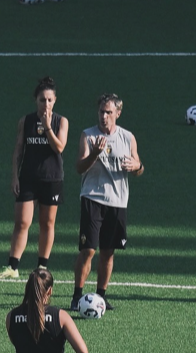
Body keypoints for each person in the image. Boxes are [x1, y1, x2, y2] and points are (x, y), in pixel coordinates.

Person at [69, 93, 144, 311]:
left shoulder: (128, 137)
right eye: (101, 112)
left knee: (108, 251)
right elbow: (79, 167)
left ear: (117, 114)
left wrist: (136, 167)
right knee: (88, 250)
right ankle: (77, 295)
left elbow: (140, 166)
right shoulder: (88, 135)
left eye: (109, 112)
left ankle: (101, 296)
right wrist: (94, 153)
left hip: (118, 202)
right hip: (93, 198)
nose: (104, 117)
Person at [0, 77, 69, 279]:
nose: (46, 104)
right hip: (28, 177)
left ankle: (42, 267)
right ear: (35, 100)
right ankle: (12, 267)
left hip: (51, 178)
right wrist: (14, 176)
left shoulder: (61, 121)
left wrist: (47, 127)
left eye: (49, 100)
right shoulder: (25, 121)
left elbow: (59, 147)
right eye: (42, 100)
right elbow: (19, 149)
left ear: (55, 101)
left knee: (47, 223)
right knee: (21, 222)